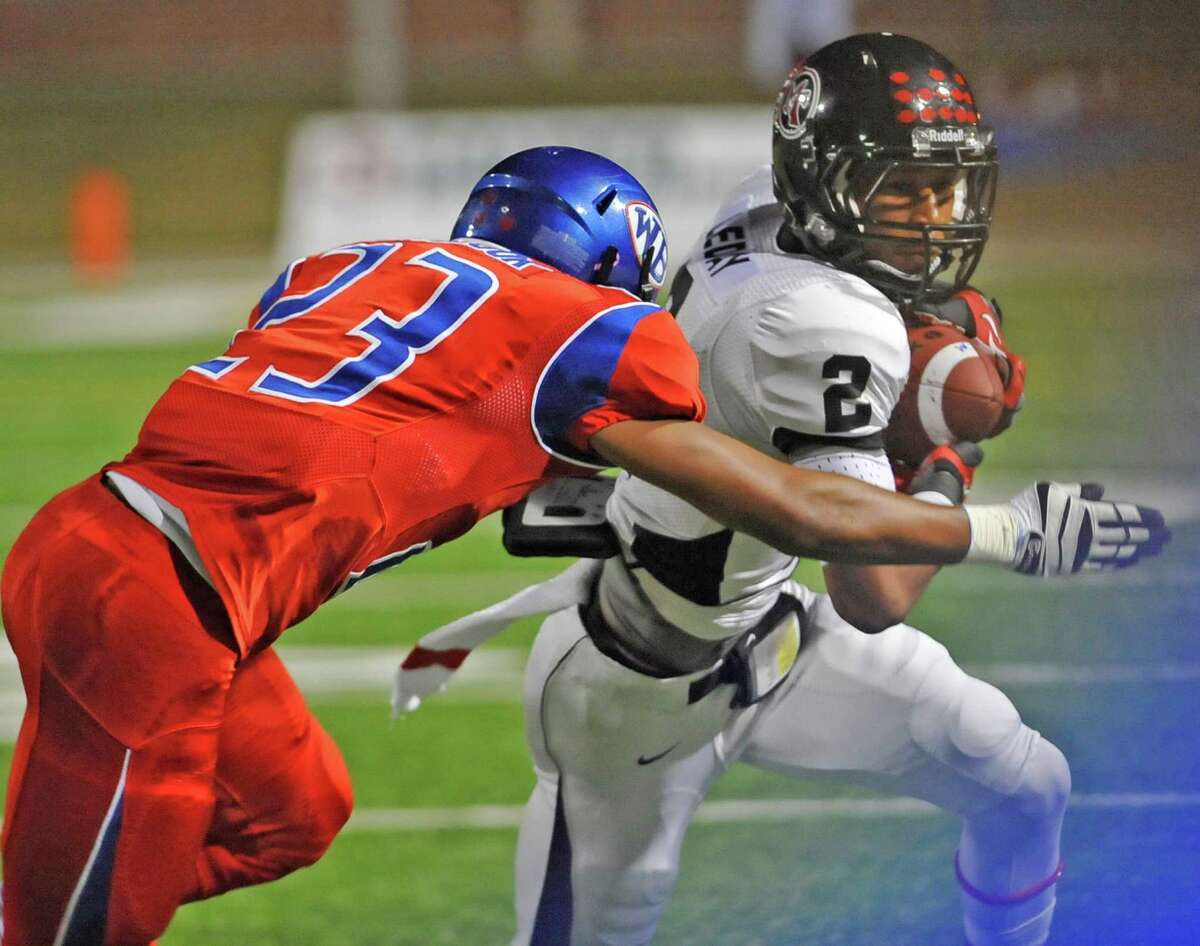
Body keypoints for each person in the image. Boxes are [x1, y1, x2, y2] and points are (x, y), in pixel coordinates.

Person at [0, 132, 1163, 946]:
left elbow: (407, 430)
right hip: (156, 606)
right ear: (611, 266)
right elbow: (798, 507)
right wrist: (1004, 524)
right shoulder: (591, 330)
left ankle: (60, 877)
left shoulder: (337, 269)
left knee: (293, 813)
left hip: (129, 547)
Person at [390, 38, 1167, 946]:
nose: (937, 216)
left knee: (1027, 783)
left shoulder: (762, 212)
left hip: (774, 634)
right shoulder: (812, 321)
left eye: (942, 186)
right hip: (632, 684)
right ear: (826, 185)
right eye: (904, 191)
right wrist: (954, 452)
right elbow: (875, 594)